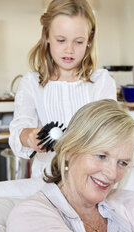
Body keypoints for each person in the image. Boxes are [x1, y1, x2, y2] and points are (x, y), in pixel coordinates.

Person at [3, 99, 134, 232]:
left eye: (122, 163)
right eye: (101, 156)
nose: (112, 173)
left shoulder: (131, 205)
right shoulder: (32, 216)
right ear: (68, 152)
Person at [9, 0, 117, 178]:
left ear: (89, 40)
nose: (69, 49)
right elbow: (19, 128)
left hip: (91, 177)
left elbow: (110, 132)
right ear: (47, 37)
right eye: (61, 40)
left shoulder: (101, 82)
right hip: (46, 176)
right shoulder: (31, 83)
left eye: (78, 42)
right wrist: (29, 136)